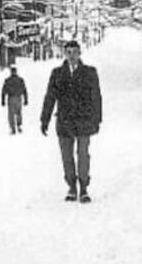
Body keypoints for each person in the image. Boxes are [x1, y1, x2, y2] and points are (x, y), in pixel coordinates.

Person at [41, 40, 102, 203]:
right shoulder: (57, 73)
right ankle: (71, 186)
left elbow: (96, 97)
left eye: (75, 52)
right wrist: (44, 119)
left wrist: (97, 119)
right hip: (65, 120)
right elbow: (50, 96)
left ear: (80, 53)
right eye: (68, 52)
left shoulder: (90, 73)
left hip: (84, 120)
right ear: (64, 54)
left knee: (83, 155)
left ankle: (83, 187)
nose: (72, 55)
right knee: (66, 156)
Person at [1, 66, 29, 134]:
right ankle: (19, 125)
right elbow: (24, 90)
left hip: (11, 98)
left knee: (11, 114)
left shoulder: (7, 80)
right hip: (18, 98)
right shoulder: (20, 80)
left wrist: (3, 100)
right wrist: (26, 99)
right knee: (18, 112)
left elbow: (4, 91)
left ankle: (12, 128)